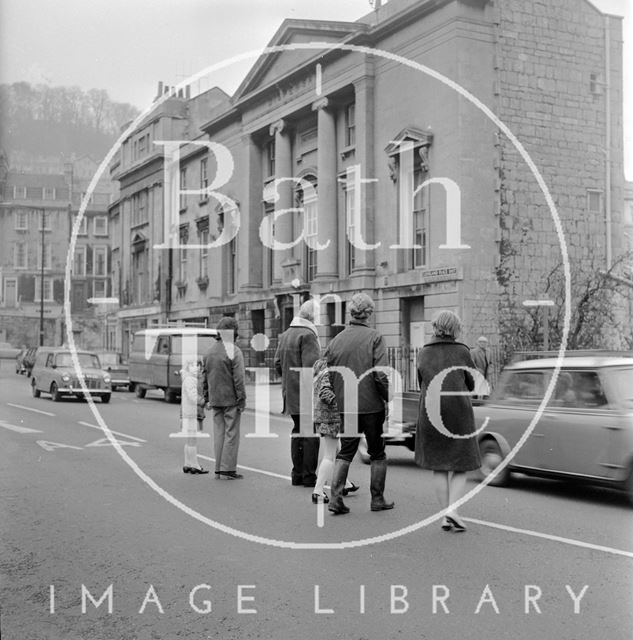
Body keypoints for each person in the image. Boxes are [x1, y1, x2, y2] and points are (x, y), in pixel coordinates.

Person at [325, 292, 393, 515]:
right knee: (377, 452)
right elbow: (380, 375)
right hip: (371, 404)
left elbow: (328, 372)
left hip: (346, 403)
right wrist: (386, 396)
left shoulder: (337, 340)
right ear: (369, 314)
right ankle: (377, 498)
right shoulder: (375, 337)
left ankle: (335, 498)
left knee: (346, 451)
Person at [415, 310, 482, 532]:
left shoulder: (424, 352)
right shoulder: (462, 351)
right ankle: (452, 510)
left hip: (430, 412)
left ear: (436, 327)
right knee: (460, 465)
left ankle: (446, 516)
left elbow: (420, 382)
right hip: (458, 413)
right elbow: (472, 383)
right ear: (454, 328)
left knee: (439, 466)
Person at [274, 299, 321, 488]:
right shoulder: (308, 335)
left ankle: (297, 474)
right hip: (305, 394)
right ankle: (308, 476)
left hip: (290, 393)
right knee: (310, 434)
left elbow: (277, 363)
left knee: (297, 431)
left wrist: (288, 380)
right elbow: (312, 368)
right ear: (312, 316)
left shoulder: (286, 334)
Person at [312, 357, 359, 504]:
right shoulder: (329, 371)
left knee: (339, 452)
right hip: (330, 418)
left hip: (323, 417)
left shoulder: (321, 368)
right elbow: (325, 392)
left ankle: (344, 483)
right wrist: (341, 402)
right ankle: (318, 491)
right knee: (329, 456)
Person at [205, 317, 246, 479]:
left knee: (219, 434)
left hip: (215, 399)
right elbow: (239, 379)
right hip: (231, 399)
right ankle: (228, 470)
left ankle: (218, 468)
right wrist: (242, 399)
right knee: (231, 434)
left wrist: (207, 397)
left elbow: (204, 377)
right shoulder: (235, 351)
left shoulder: (209, 352)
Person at [181, 360, 209, 474]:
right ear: (187, 367)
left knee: (189, 440)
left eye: (198, 365)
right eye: (192, 365)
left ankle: (187, 464)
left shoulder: (188, 378)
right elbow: (193, 396)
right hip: (191, 413)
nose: (196, 368)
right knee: (192, 440)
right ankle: (195, 465)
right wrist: (204, 402)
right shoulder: (190, 379)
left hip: (187, 412)